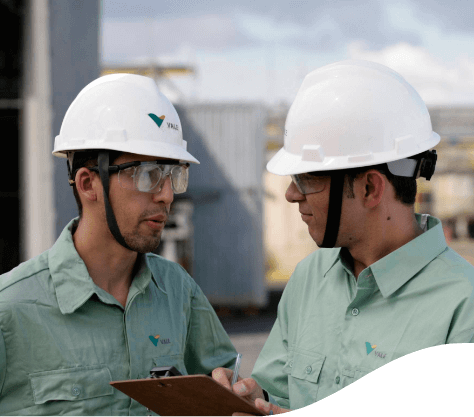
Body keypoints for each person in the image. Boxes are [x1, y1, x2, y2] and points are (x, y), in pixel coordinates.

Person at [212, 60, 474, 414]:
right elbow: (278, 391)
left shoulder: (463, 305)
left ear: (369, 187)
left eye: (307, 179)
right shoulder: (309, 278)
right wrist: (250, 398)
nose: (291, 195)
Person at [0, 73, 237, 415]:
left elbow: (229, 391)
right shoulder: (11, 310)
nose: (167, 194)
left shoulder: (179, 293)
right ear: (87, 183)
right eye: (147, 174)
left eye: (173, 175)